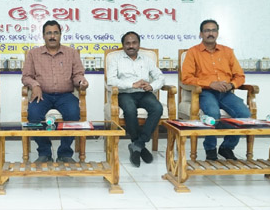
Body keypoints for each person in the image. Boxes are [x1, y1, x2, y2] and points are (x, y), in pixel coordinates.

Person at [181, 19, 250, 160]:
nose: (210, 33)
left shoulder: (227, 52)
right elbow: (186, 78)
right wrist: (210, 84)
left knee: (244, 113)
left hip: (226, 92)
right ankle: (210, 148)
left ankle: (226, 147)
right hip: (205, 92)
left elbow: (240, 76)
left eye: (213, 30)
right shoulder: (193, 52)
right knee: (212, 113)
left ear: (217, 33)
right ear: (201, 34)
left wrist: (231, 85)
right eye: (207, 30)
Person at [22, 20, 89, 163]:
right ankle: (44, 152)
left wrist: (81, 82)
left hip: (65, 95)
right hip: (42, 95)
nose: (52, 36)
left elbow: (78, 74)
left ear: (60, 35)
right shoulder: (33, 54)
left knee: (73, 113)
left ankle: (65, 153)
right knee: (33, 114)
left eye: (55, 33)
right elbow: (26, 76)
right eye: (49, 33)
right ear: (43, 36)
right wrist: (35, 85)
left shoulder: (71, 53)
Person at [107, 31, 164, 166]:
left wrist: (152, 86)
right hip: (125, 93)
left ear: (138, 44)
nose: (131, 46)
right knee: (130, 109)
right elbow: (111, 80)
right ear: (123, 45)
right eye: (127, 43)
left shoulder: (147, 60)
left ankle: (138, 144)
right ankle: (138, 145)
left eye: (134, 43)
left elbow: (160, 77)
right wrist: (132, 84)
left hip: (143, 93)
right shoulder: (116, 59)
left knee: (157, 108)